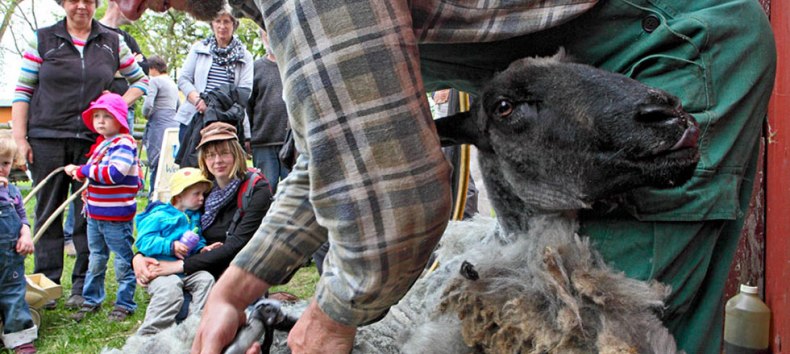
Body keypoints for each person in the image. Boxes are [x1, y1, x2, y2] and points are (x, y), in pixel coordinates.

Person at [115, 1, 776, 353]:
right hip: (569, 111)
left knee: (602, 329)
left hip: (659, 65)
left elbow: (403, 191)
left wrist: (337, 312)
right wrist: (243, 280)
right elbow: (335, 143)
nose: (131, 8)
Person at [11, 0, 148, 311]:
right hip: (46, 135)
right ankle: (47, 284)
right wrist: (20, 138)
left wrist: (114, 104)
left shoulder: (112, 41)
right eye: (74, 0)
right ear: (63, 3)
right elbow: (23, 90)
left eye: (89, 0)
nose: (82, 6)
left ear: (96, 4)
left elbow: (141, 81)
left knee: (89, 214)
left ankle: (82, 287)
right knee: (48, 211)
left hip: (92, 140)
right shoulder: (43, 38)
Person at [132, 122, 273, 282]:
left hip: (237, 272)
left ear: (236, 154)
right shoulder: (201, 185)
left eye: (224, 153)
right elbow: (172, 224)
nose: (217, 161)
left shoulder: (256, 189)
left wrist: (178, 266)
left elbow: (237, 244)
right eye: (210, 155)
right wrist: (139, 257)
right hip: (198, 268)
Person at [63, 93, 141, 322]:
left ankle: (125, 302)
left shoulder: (124, 144)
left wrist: (83, 170)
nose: (100, 120)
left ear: (120, 119)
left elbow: (115, 173)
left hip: (116, 216)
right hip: (95, 214)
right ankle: (91, 299)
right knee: (96, 258)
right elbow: (95, 176)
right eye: (97, 116)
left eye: (107, 116)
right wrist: (81, 172)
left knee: (122, 260)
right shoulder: (103, 145)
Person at [133, 167, 217, 336]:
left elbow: (196, 238)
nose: (202, 199)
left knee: (206, 279)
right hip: (160, 270)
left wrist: (202, 249)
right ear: (179, 196)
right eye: (197, 194)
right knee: (170, 289)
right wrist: (171, 246)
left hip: (186, 270)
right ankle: (150, 335)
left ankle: (196, 327)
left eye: (203, 194)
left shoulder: (193, 218)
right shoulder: (159, 215)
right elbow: (143, 241)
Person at [173, 8, 253, 146]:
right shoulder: (199, 48)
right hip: (194, 117)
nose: (222, 26)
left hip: (226, 119)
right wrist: (199, 102)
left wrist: (219, 109)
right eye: (218, 21)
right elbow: (184, 79)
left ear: (234, 25)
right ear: (212, 24)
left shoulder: (245, 55)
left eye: (227, 22)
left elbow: (245, 90)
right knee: (191, 165)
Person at [0, 132, 37, 354]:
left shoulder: (13, 192)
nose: (1, 168)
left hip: (9, 258)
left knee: (13, 295)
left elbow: (23, 218)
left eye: (4, 163)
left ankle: (20, 338)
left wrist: (26, 235)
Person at [247, 29, 290, 194]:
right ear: (262, 36)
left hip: (291, 142)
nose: (270, 37)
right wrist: (247, 137)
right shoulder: (255, 68)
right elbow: (248, 105)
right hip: (263, 141)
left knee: (292, 192)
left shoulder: (293, 63)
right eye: (266, 33)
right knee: (265, 190)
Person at [99, 0, 149, 129]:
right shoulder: (93, 34)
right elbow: (94, 69)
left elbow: (145, 70)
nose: (142, 10)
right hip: (98, 113)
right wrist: (125, 66)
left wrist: (114, 68)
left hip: (126, 112)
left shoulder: (127, 39)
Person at [142, 55, 180, 195]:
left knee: (155, 161)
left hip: (158, 123)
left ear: (152, 68)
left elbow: (148, 104)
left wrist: (146, 115)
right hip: (173, 124)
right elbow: (178, 105)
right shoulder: (172, 83)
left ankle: (153, 194)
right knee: (168, 161)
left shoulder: (155, 81)